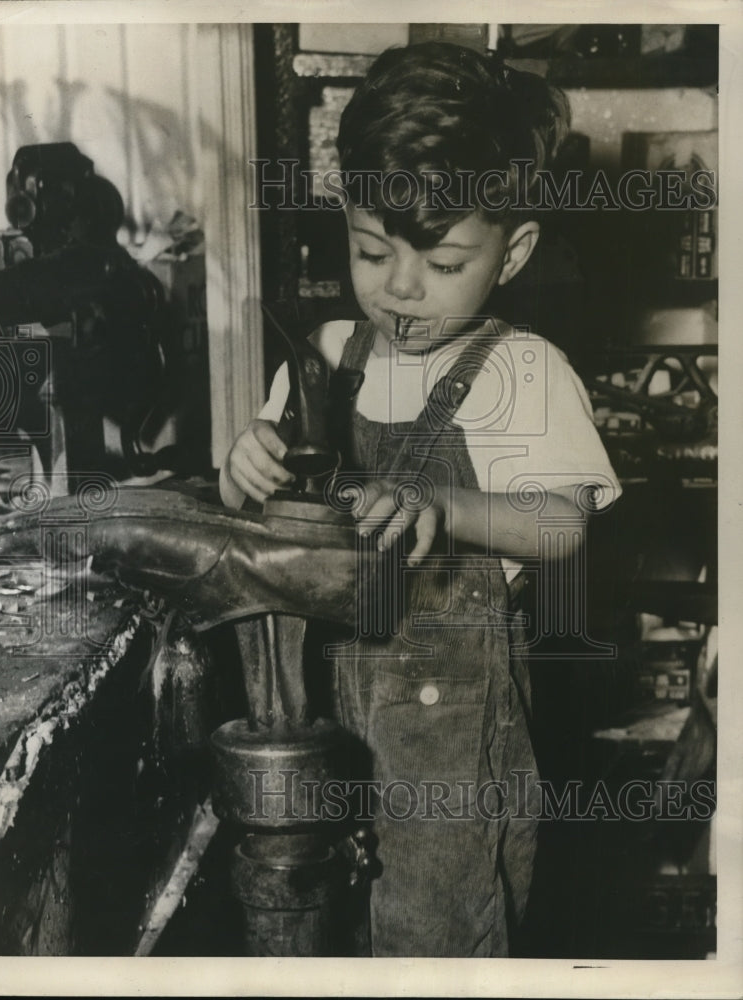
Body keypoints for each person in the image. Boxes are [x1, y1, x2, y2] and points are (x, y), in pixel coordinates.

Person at [221, 42, 621, 957]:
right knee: (307, 935)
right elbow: (258, 513)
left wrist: (447, 505)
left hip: (448, 761)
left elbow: (562, 522)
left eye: (440, 263)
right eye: (370, 250)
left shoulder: (520, 370)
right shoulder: (325, 355)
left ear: (510, 251)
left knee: (434, 945)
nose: (399, 287)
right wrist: (244, 465)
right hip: (314, 727)